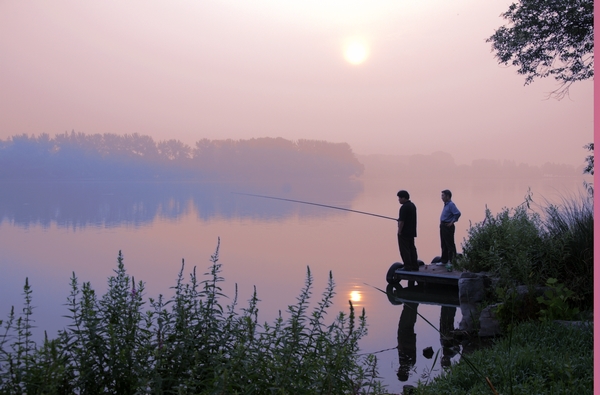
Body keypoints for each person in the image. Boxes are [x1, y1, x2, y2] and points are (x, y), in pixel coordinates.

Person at [397, 190, 419, 271]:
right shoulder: (412, 205)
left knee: (405, 250)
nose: (398, 200)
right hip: (412, 231)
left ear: (404, 198)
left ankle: (407, 266)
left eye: (399, 198)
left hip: (404, 232)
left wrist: (399, 231)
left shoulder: (404, 207)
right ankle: (414, 265)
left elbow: (402, 221)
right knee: (412, 249)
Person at [438, 189, 461, 265]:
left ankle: (453, 261)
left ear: (448, 196)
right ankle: (444, 260)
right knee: (443, 243)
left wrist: (452, 222)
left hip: (448, 226)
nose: (441, 197)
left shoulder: (451, 204)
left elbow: (457, 213)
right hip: (443, 226)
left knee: (450, 244)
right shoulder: (446, 204)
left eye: (443, 195)